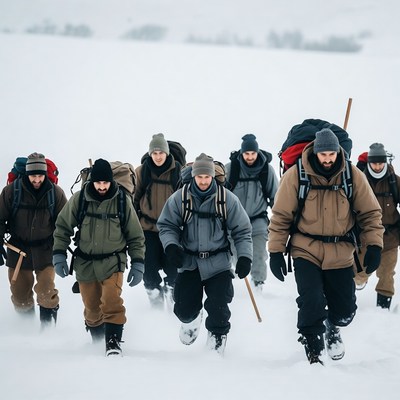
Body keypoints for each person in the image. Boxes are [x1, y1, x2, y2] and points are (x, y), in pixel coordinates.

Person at [268, 128, 384, 364]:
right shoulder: (296, 176)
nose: (328, 159)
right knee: (311, 300)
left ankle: (333, 325)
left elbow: (371, 214)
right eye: (324, 155)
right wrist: (276, 252)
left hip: (341, 252)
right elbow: (280, 217)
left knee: (344, 312)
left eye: (332, 154)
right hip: (305, 248)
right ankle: (314, 350)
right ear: (316, 153)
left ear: (338, 152)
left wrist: (374, 245)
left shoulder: (351, 175)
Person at [157, 153, 253, 355]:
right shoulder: (180, 198)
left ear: (211, 176)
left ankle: (217, 339)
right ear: (193, 176)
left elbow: (242, 230)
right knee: (183, 309)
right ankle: (191, 320)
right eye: (199, 177)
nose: (202, 181)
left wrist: (244, 257)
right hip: (189, 262)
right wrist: (171, 246)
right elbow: (167, 225)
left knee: (219, 306)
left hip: (219, 263)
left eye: (206, 177)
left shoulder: (227, 199)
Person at [52, 158, 145, 357]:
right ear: (92, 181)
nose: (102, 186)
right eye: (98, 182)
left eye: (105, 182)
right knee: (92, 309)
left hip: (114, 261)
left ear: (111, 181)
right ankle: (97, 340)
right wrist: (59, 254)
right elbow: (62, 227)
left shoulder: (122, 201)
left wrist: (138, 263)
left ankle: (113, 344)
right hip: (85, 263)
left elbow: (136, 235)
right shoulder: (80, 199)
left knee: (111, 301)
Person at [0, 152, 67, 327]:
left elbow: (65, 224)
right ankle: (26, 331)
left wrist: (61, 249)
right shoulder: (11, 192)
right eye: (33, 176)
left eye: (40, 176)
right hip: (18, 250)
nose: (37, 180)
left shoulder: (56, 194)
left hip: (45, 249)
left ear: (45, 174)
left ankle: (48, 333)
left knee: (46, 293)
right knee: (20, 295)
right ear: (27, 174)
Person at [225, 134, 278, 290]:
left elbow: (277, 196)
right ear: (242, 153)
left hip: (258, 220)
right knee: (237, 255)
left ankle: (258, 286)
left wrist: (282, 219)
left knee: (259, 254)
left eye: (252, 153)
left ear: (257, 152)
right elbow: (221, 195)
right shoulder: (231, 169)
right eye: (246, 153)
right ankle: (240, 285)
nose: (250, 157)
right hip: (234, 222)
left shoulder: (266, 170)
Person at [134, 133, 181, 310]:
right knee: (149, 273)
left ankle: (172, 304)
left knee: (173, 272)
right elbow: (135, 199)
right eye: (155, 153)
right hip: (147, 229)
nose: (158, 156)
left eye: (161, 152)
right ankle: (155, 306)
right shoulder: (142, 171)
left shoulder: (178, 171)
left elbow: (184, 200)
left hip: (172, 230)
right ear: (150, 154)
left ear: (167, 153)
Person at [354, 143, 400, 309]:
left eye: (381, 163)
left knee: (387, 274)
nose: (378, 166)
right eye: (375, 163)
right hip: (366, 238)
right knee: (359, 274)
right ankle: (349, 298)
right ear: (369, 163)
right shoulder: (359, 180)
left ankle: (383, 310)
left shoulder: (394, 180)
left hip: (390, 238)